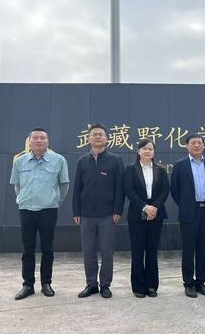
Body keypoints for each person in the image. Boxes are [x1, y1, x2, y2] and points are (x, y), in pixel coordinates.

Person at [10, 127, 69, 300]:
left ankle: (46, 283)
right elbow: (17, 186)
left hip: (48, 209)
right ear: (29, 141)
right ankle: (28, 285)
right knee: (27, 248)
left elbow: (64, 185)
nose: (38, 141)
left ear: (47, 141)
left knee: (47, 248)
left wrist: (54, 201)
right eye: (35, 138)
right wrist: (23, 199)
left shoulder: (58, 160)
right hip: (26, 209)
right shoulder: (20, 161)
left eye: (42, 138)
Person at [72, 123, 125, 299]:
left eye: (101, 134)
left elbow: (120, 188)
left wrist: (117, 210)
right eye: (94, 134)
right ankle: (91, 284)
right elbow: (77, 188)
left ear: (106, 138)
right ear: (88, 138)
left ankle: (105, 285)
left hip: (108, 214)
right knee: (88, 251)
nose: (97, 137)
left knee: (107, 251)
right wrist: (76, 211)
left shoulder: (115, 160)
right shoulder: (82, 161)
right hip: (86, 214)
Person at [170, 134, 205, 298]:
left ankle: (201, 282)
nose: (197, 145)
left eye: (199, 143)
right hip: (189, 212)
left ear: (204, 145)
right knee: (188, 250)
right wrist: (186, 204)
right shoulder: (180, 165)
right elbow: (174, 190)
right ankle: (189, 283)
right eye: (193, 143)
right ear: (187, 146)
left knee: (203, 249)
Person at [124, 139, 169, 298]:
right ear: (138, 151)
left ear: (154, 152)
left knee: (152, 251)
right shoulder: (131, 169)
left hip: (156, 214)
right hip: (137, 214)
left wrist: (154, 207)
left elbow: (165, 190)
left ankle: (151, 286)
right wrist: (145, 207)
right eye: (144, 148)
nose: (148, 151)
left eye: (150, 149)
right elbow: (129, 191)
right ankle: (138, 287)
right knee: (137, 251)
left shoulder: (160, 169)